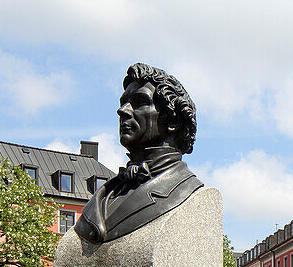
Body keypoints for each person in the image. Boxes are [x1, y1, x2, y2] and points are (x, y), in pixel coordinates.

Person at [75, 63, 202, 244]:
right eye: (124, 103)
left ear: (173, 120)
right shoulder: (107, 194)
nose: (123, 110)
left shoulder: (186, 191)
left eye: (140, 102)